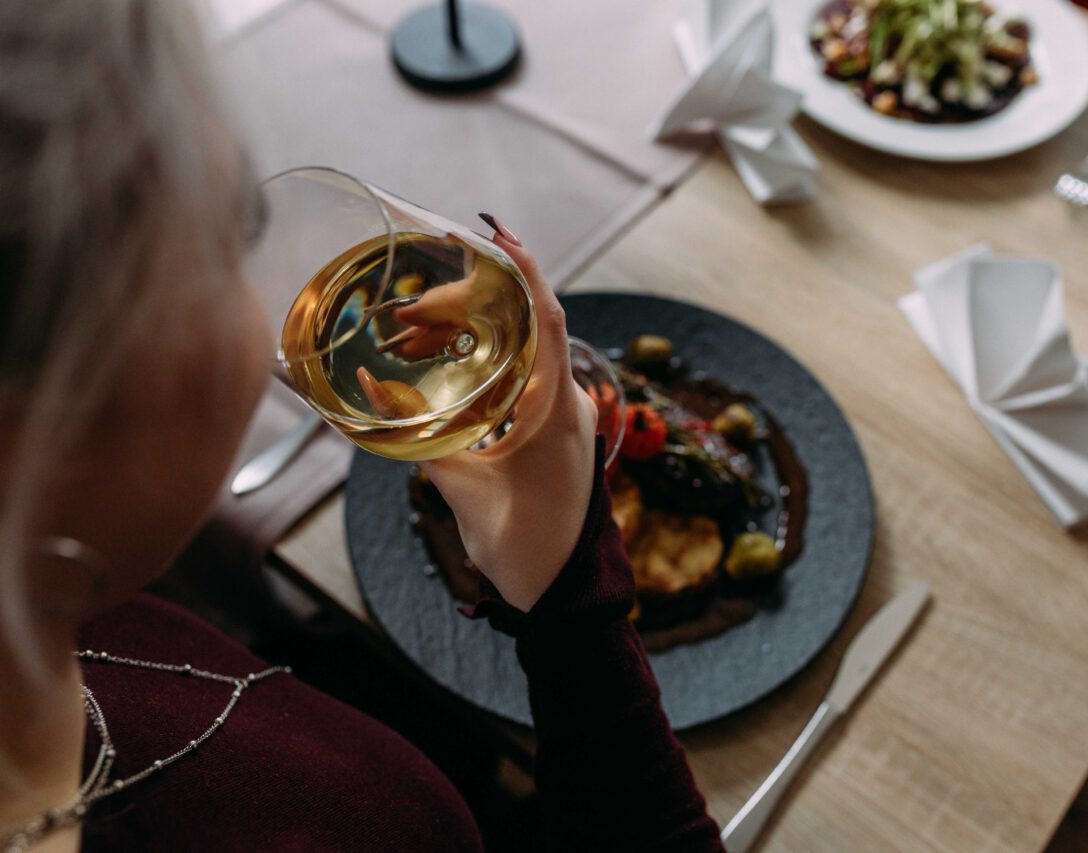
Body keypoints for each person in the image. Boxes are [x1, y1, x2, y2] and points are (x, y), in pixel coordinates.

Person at [0, 1, 725, 850]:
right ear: (51, 409)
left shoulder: (71, 612)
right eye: (234, 233)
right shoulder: (347, 826)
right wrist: (579, 614)